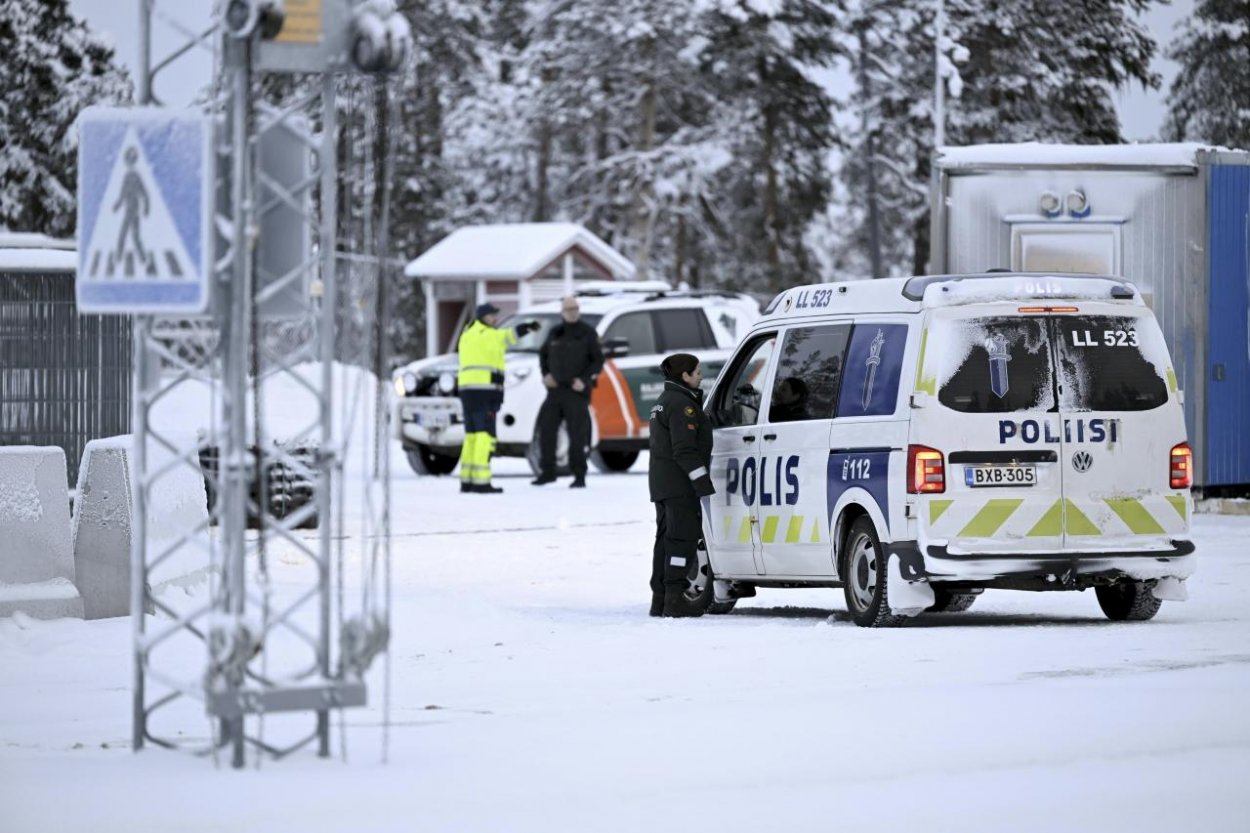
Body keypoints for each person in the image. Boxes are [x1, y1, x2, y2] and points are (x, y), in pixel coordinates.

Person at [648, 352, 715, 617]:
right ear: (684, 376)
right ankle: (675, 600)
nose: (701, 376)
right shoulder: (681, 405)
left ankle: (660, 599)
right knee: (681, 541)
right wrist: (702, 483)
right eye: (697, 372)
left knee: (665, 541)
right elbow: (684, 450)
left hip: (663, 484)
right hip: (679, 486)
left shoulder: (664, 401)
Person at [457, 303, 539, 493]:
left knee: (472, 436)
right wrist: (527, 327)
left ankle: (467, 480)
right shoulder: (489, 335)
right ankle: (481, 482)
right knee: (486, 436)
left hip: (467, 392)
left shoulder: (467, 335)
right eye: (491, 316)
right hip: (485, 392)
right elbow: (508, 336)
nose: (495, 319)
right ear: (482, 317)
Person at [532, 296, 605, 488]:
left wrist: (585, 380)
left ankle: (579, 475)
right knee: (546, 431)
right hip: (555, 390)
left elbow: (598, 361)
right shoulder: (555, 332)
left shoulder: (588, 333)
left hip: (576, 391)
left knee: (577, 435)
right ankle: (547, 472)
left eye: (575, 308)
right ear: (562, 312)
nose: (572, 312)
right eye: (568, 309)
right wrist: (546, 374)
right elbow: (543, 356)